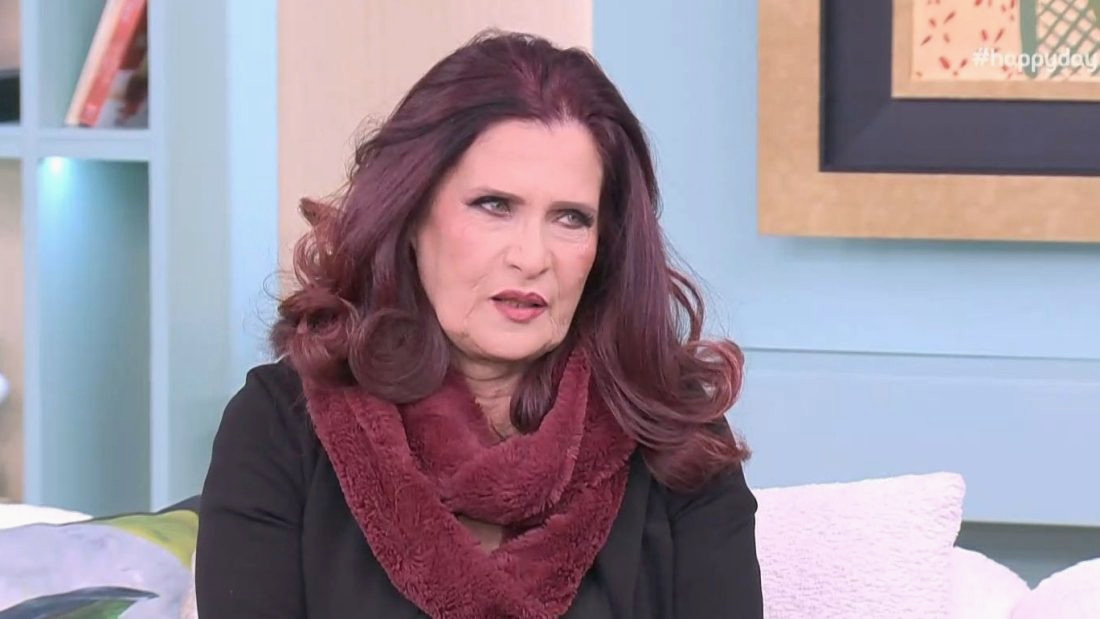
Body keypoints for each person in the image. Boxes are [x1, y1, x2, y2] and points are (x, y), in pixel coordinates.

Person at [196, 29, 763, 618]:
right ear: (411, 213)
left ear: (605, 246)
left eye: (571, 218)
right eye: (495, 206)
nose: (532, 257)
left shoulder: (676, 437)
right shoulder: (280, 426)